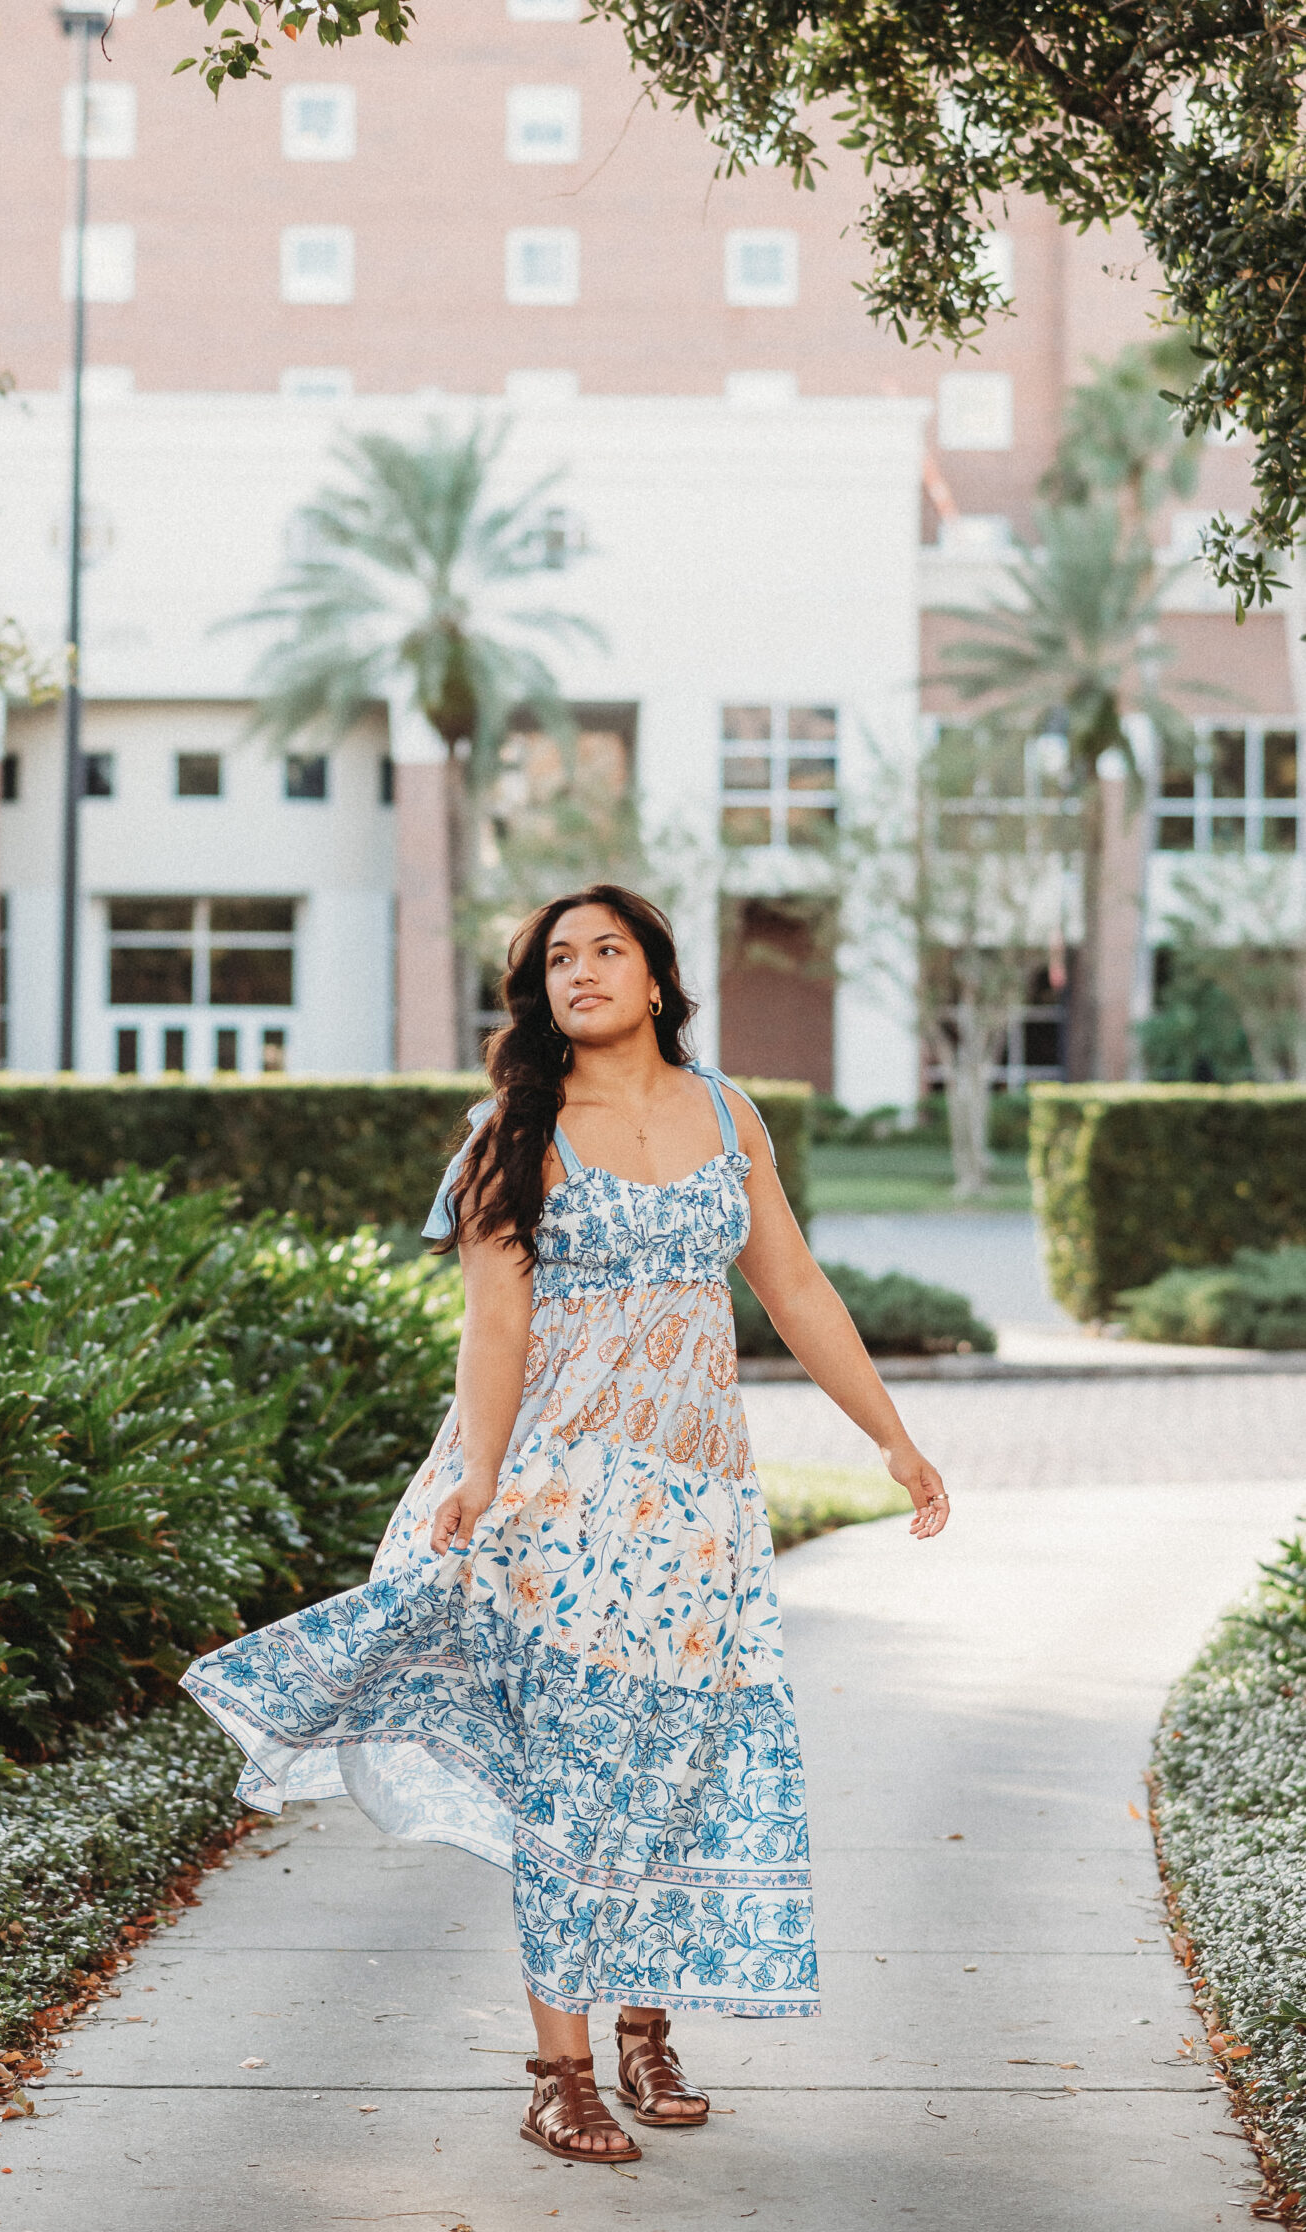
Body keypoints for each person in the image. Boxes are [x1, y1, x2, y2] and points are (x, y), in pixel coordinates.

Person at [183, 883, 949, 2166]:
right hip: (556, 1502)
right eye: (557, 958)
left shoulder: (727, 1114)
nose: (581, 971)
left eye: (607, 950)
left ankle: (649, 2030)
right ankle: (561, 2068)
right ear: (537, 990)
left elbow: (794, 1285)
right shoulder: (512, 1132)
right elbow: (493, 1325)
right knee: (577, 1783)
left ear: (655, 978)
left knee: (678, 1769)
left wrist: (889, 1434)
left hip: (700, 1515)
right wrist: (478, 1478)